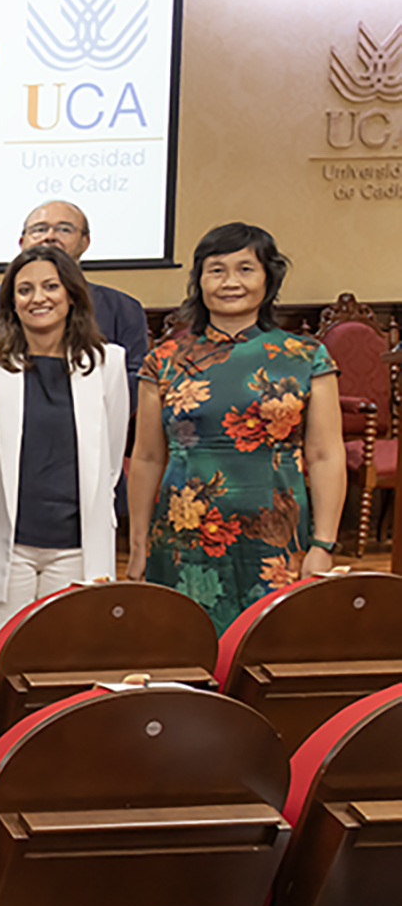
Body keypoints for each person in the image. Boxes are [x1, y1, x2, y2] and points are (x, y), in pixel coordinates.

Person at [130, 223, 345, 628]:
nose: (231, 282)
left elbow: (325, 455)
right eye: (216, 270)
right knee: (184, 646)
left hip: (278, 538)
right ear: (199, 280)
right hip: (184, 536)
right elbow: (146, 457)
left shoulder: (306, 356)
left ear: (269, 278)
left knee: (272, 647)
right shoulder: (165, 359)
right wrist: (139, 544)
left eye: (246, 269)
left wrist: (323, 544)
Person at [0, 245, 130, 643]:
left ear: (71, 294)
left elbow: (110, 459)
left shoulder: (108, 363)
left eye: (50, 286)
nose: (37, 298)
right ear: (11, 302)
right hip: (8, 546)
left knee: (67, 659)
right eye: (24, 290)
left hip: (77, 547)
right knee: (0, 659)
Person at [0, 200, 150, 372]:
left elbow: (132, 380)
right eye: (39, 229)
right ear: (22, 242)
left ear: (85, 242)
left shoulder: (124, 308)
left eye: (64, 229)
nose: (50, 236)